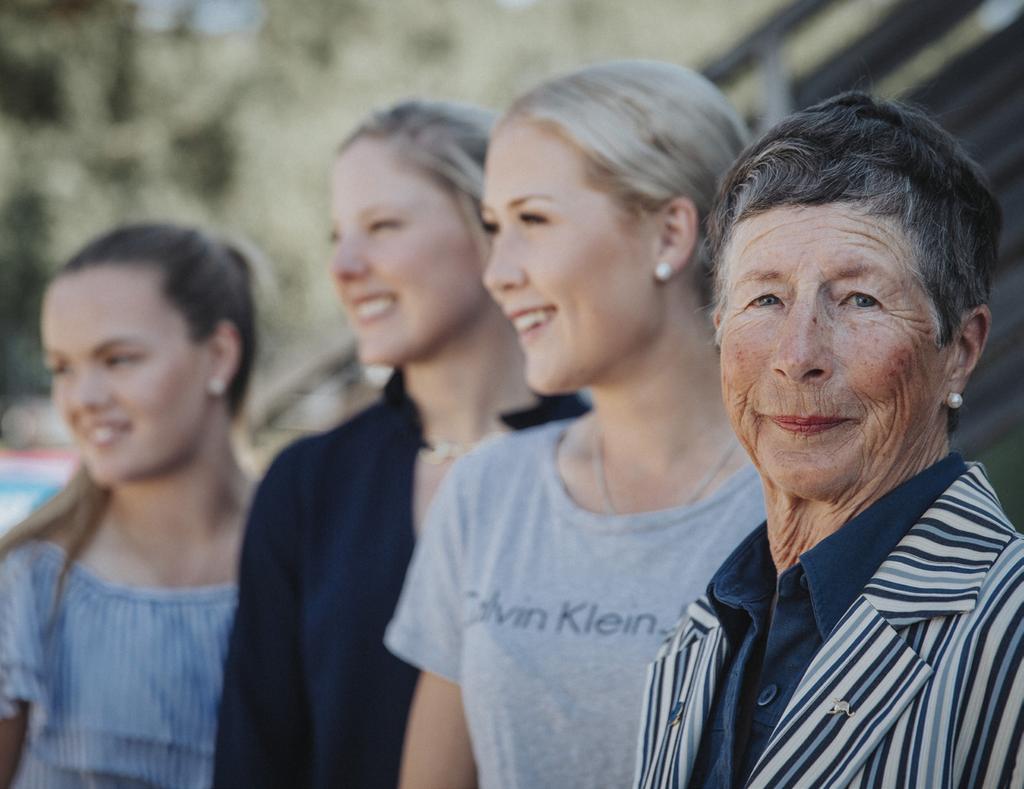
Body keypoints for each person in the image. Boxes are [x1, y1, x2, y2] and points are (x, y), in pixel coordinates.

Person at [385, 61, 766, 789]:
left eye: (532, 220)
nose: (497, 272)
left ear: (669, 233)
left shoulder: (799, 505)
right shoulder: (485, 493)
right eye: (495, 227)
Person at [634, 92, 1024, 789]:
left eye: (859, 299)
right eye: (765, 299)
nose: (798, 353)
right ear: (720, 327)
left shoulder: (1011, 630)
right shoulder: (698, 635)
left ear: (960, 351)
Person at [213, 99, 585, 789]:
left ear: (491, 225)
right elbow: (254, 757)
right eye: (338, 236)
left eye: (382, 226)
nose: (345, 265)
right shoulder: (306, 484)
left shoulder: (607, 460)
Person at [0, 223, 257, 788]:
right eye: (62, 368)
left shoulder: (312, 567)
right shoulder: (28, 587)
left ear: (218, 356)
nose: (83, 399)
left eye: (117, 360)